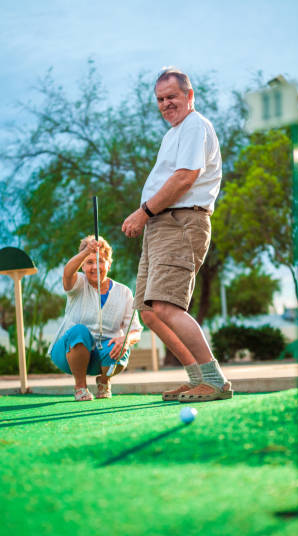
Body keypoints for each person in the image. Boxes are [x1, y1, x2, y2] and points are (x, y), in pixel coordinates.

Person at [122, 67, 232, 403]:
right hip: (160, 225)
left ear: (189, 96)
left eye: (172, 96)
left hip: (181, 222)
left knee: (168, 307)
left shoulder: (196, 124)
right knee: (151, 311)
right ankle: (197, 378)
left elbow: (185, 178)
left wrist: (144, 212)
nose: (166, 104)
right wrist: (150, 216)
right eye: (160, 99)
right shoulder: (174, 134)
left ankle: (215, 381)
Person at [48, 236, 142, 401]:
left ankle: (104, 381)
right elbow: (67, 272)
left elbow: (135, 331)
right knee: (79, 331)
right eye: (89, 262)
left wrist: (126, 339)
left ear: (109, 264)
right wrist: (86, 251)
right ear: (82, 266)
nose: (95, 267)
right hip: (68, 353)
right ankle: (80, 387)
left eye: (100, 261)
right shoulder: (78, 283)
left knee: (121, 347)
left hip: (101, 356)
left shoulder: (124, 292)